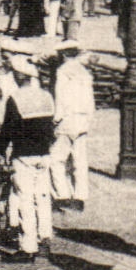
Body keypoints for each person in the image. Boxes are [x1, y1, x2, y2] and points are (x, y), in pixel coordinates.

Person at [0, 55, 57, 263]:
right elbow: (51, 126)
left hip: (23, 155)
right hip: (44, 154)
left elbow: (8, 129)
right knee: (43, 198)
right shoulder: (47, 96)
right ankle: (45, 240)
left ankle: (28, 247)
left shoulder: (16, 98)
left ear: (20, 76)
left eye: (15, 73)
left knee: (25, 199)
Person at [49, 40, 93, 211]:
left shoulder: (62, 71)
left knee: (57, 159)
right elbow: (90, 100)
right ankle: (80, 197)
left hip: (67, 120)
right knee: (80, 160)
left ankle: (62, 195)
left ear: (64, 54)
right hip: (82, 119)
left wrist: (56, 119)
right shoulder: (84, 72)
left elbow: (60, 97)